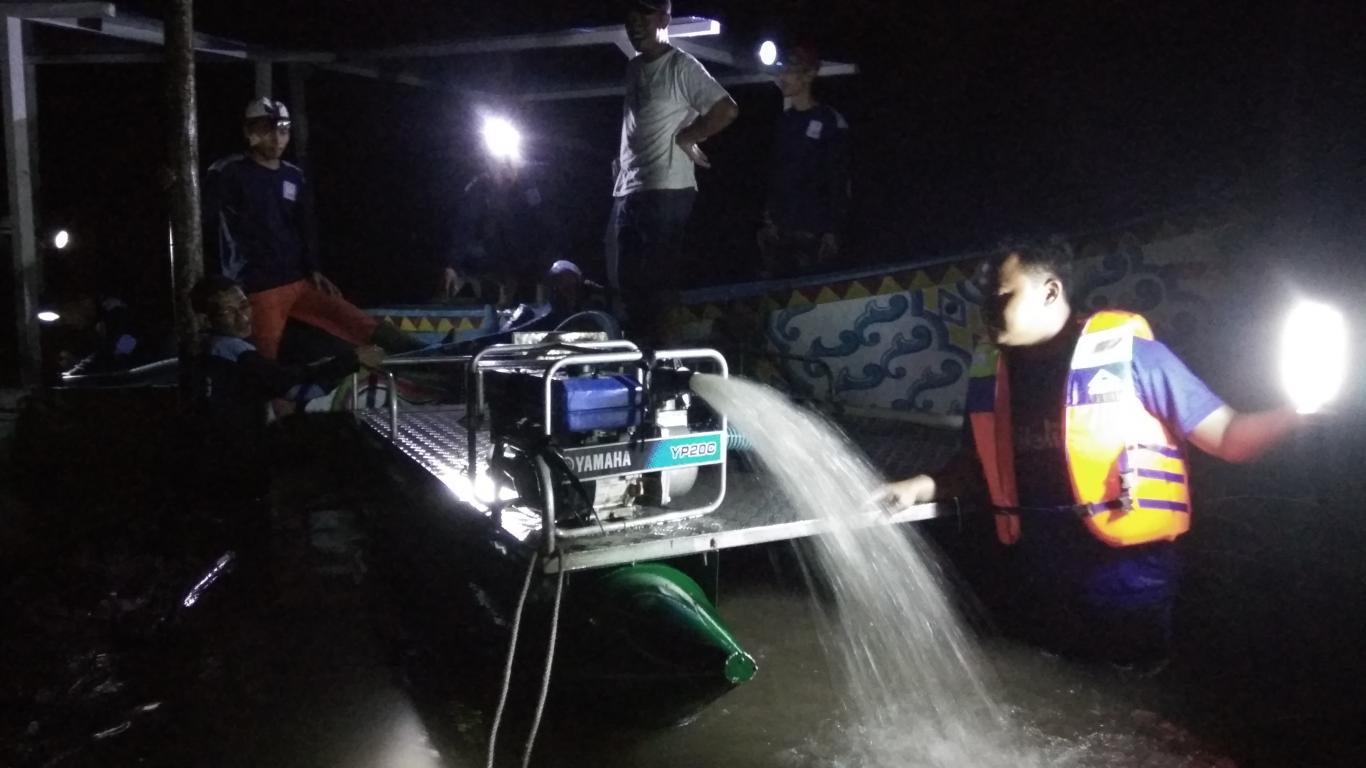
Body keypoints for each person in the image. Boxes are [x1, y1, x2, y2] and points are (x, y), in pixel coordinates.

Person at [884, 239, 1304, 669]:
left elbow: (1229, 437)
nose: (987, 311)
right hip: (1041, 592)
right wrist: (916, 488)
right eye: (984, 300)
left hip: (1129, 591)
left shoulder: (1134, 358)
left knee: (1133, 700)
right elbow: (974, 468)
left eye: (1002, 297)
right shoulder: (992, 378)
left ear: (1050, 291)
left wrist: (1301, 413)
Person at [203, 97, 421, 363]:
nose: (277, 138)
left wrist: (313, 268)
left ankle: (430, 354)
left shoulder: (293, 175)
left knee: (355, 319)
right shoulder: (229, 172)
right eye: (267, 130)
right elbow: (206, 222)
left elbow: (305, 224)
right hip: (259, 285)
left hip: (298, 280)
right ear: (249, 132)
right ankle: (270, 393)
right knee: (265, 356)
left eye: (283, 130)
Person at [187, 275, 384, 553]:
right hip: (234, 462)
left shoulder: (213, 351)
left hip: (229, 459)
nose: (243, 317)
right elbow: (289, 384)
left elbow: (289, 386)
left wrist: (334, 370)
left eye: (244, 306)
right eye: (228, 312)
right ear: (206, 319)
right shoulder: (231, 351)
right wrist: (351, 360)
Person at [609, 0, 739, 344]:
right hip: (629, 189)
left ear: (665, 18)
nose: (635, 23)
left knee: (659, 284)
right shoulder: (634, 67)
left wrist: (688, 136)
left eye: (645, 14)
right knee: (628, 284)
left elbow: (726, 109)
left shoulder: (682, 65)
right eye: (630, 15)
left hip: (666, 188)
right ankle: (643, 358)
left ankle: (668, 363)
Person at [757, 44, 851, 279]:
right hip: (781, 230)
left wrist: (832, 230)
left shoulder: (829, 120)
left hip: (814, 232)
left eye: (789, 70)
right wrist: (770, 218)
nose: (782, 77)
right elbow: (775, 172)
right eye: (781, 71)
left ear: (809, 75)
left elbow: (839, 177)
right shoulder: (783, 121)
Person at [445, 155, 561, 307]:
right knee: (476, 270)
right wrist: (454, 263)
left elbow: (545, 220)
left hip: (526, 251)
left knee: (542, 270)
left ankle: (540, 306)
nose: (504, 169)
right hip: (491, 255)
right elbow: (465, 226)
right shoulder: (480, 187)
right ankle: (495, 301)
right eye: (500, 165)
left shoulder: (529, 186)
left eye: (508, 165)